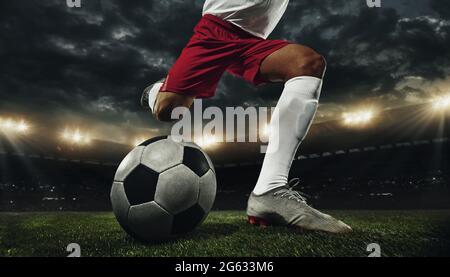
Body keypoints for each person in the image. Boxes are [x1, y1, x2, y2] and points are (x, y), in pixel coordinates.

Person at [141, 0, 352, 233]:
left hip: (253, 40)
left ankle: (269, 191)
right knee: (168, 109)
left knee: (307, 64)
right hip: (217, 29)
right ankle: (156, 91)